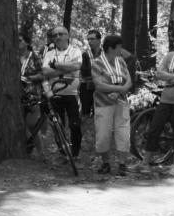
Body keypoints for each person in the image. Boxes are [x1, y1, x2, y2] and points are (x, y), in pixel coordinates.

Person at [135, 28, 174, 176]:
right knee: (154, 129)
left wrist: (169, 76)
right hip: (166, 97)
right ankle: (145, 163)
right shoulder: (170, 56)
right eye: (173, 41)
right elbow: (159, 73)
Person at [91, 34, 133, 175]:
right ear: (110, 48)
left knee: (123, 132)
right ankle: (105, 163)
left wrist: (120, 91)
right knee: (103, 134)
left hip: (121, 103)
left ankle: (122, 164)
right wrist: (119, 89)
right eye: (119, 47)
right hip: (103, 104)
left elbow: (129, 81)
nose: (121, 50)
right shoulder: (97, 63)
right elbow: (99, 85)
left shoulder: (121, 61)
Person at [41, 26, 83, 160]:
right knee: (58, 125)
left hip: (72, 94)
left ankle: (75, 154)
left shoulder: (75, 51)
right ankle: (64, 153)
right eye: (55, 35)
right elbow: (45, 72)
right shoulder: (49, 54)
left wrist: (56, 65)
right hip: (54, 94)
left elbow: (77, 66)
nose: (58, 37)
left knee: (75, 125)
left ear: (67, 36)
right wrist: (66, 68)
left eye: (61, 34)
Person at [19, 32, 45, 159]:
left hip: (32, 96)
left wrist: (29, 78)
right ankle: (26, 151)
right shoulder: (12, 56)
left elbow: (42, 74)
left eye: (20, 40)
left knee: (31, 124)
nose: (17, 43)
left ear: (27, 43)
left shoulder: (34, 56)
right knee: (19, 124)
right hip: (16, 95)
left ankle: (41, 153)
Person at [79, 29, 102, 119]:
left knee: (100, 113)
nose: (89, 41)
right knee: (85, 113)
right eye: (88, 39)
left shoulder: (105, 54)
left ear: (99, 40)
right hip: (87, 87)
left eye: (92, 39)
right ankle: (85, 126)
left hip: (102, 87)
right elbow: (85, 72)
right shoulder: (85, 54)